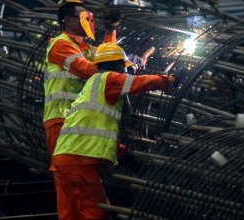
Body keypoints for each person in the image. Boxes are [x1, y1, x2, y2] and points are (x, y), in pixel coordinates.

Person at [52, 42, 176, 220]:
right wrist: (168, 80)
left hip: (64, 158)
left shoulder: (93, 84)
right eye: (123, 68)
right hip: (79, 161)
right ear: (118, 65)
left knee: (70, 214)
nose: (125, 72)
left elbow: (95, 131)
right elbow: (137, 83)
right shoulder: (109, 79)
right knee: (96, 213)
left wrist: (123, 155)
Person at [43, 0, 120, 157]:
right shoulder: (61, 44)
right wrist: (118, 63)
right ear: (68, 21)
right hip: (61, 119)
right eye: (85, 18)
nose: (90, 22)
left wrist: (111, 30)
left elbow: (107, 55)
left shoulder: (84, 48)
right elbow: (88, 70)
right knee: (71, 171)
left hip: (80, 117)